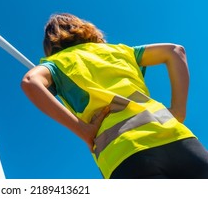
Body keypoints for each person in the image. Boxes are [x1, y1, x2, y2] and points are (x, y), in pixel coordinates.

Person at [21, 12, 208, 179]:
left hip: (124, 154)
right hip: (180, 142)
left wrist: (82, 130)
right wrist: (178, 110)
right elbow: (175, 51)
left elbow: (30, 82)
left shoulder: (57, 62)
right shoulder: (119, 51)